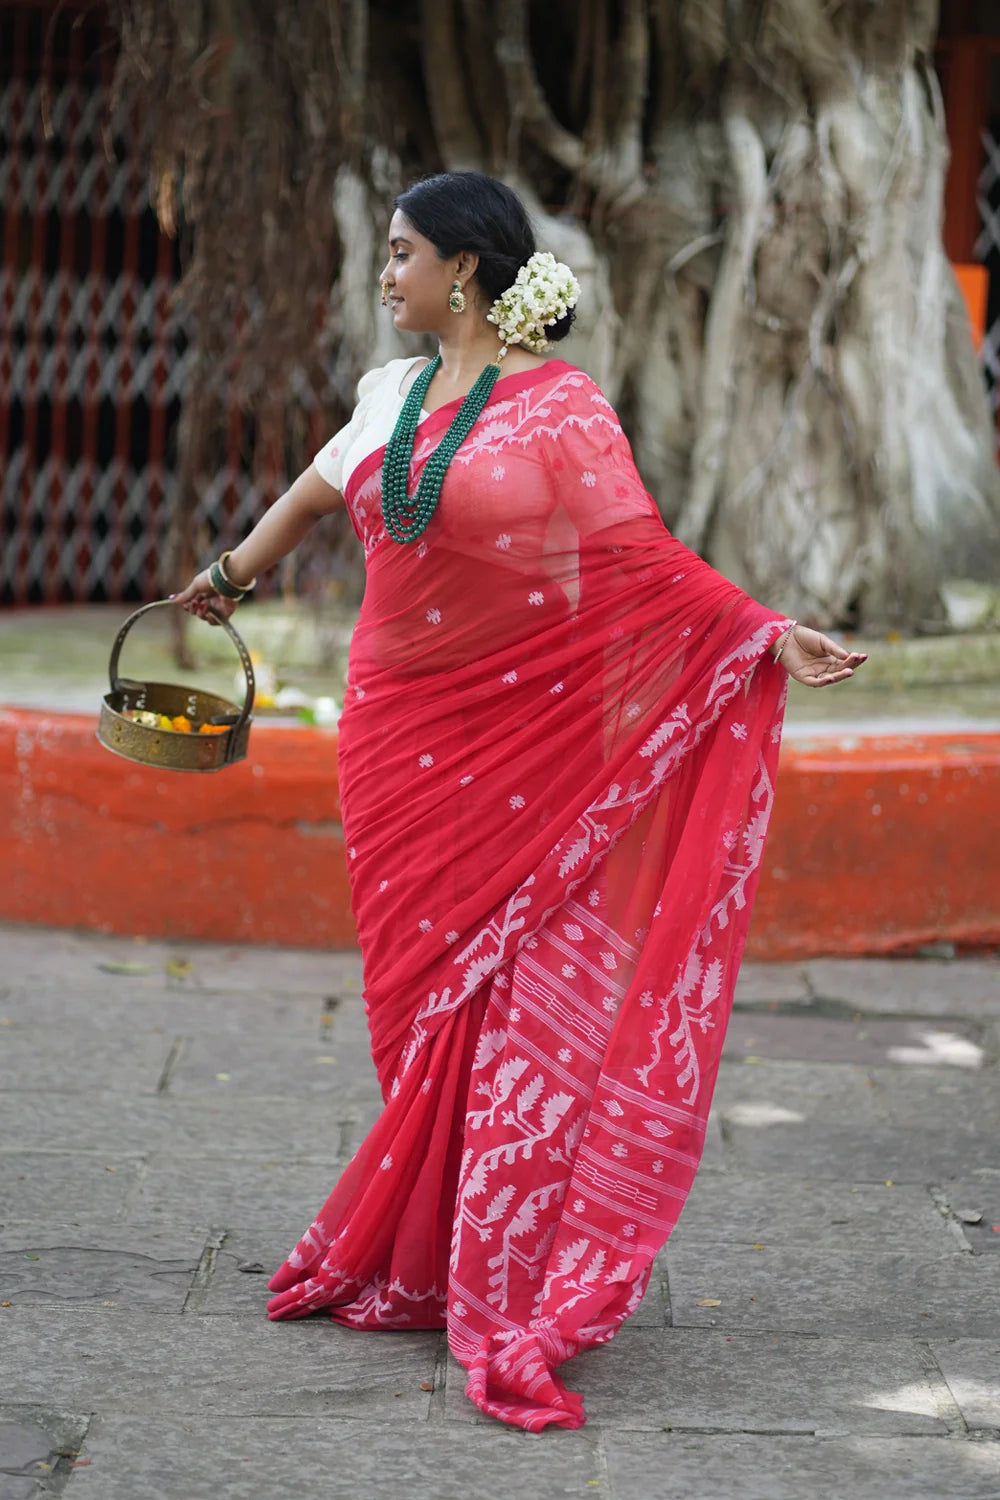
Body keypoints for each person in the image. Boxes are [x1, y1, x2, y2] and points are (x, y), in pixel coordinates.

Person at [174, 171, 866, 1431]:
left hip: (517, 752)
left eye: (401, 255)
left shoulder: (563, 408)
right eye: (386, 254)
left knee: (515, 1005)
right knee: (414, 1006)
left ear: (469, 271)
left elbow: (636, 560)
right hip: (392, 738)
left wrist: (762, 635)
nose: (386, 276)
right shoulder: (389, 395)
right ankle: (429, 1251)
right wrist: (221, 578)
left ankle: (505, 1267)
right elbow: (322, 492)